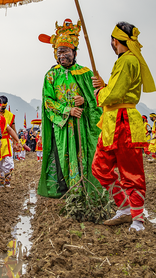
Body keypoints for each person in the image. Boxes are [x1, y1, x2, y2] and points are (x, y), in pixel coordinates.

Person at [91, 21, 156, 232]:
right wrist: (104, 86)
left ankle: (137, 220)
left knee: (131, 172)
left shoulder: (127, 60)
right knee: (100, 168)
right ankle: (124, 206)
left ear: (114, 41)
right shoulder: (124, 61)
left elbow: (116, 94)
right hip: (112, 122)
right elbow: (116, 88)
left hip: (125, 121)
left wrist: (100, 93)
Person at [37, 19, 103, 198]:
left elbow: (97, 99)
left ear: (74, 52)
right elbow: (48, 102)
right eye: (59, 52)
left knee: (83, 156)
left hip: (81, 125)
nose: (62, 55)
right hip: (62, 126)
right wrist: (68, 110)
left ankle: (83, 189)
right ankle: (65, 191)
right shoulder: (51, 75)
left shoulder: (86, 73)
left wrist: (86, 100)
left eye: (66, 51)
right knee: (61, 156)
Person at [0, 96, 22, 188]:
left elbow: (10, 129)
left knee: (8, 162)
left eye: (0, 107)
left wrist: (17, 141)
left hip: (5, 142)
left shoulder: (3, 118)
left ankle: (7, 182)